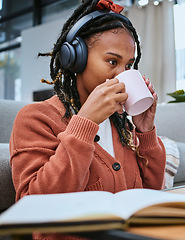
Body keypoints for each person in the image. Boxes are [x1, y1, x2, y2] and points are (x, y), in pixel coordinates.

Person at [10, 0, 166, 205]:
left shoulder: (121, 126)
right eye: (112, 61)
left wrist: (145, 133)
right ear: (76, 59)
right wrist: (85, 122)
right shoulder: (35, 119)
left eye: (129, 65)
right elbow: (35, 206)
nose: (122, 75)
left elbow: (152, 193)